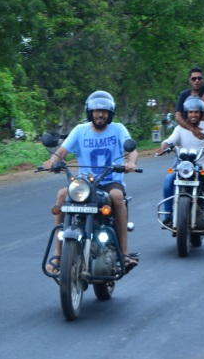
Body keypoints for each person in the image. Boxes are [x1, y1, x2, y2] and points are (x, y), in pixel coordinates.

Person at [43, 91, 139, 274]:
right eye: (96, 111)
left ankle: (124, 255)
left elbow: (131, 148)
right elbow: (62, 151)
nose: (100, 114)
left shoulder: (118, 129)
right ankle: (57, 255)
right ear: (90, 112)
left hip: (110, 181)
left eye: (103, 111)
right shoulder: (80, 130)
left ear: (110, 113)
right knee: (62, 195)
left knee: (117, 196)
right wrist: (53, 161)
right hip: (85, 183)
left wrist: (131, 163)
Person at [157, 95, 204, 230]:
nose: (193, 115)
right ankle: (168, 215)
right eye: (191, 112)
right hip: (183, 167)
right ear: (186, 113)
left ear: (201, 113)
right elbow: (170, 140)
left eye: (196, 112)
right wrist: (163, 148)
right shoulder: (180, 129)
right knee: (168, 178)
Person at [174, 35, 204, 140]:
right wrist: (192, 129)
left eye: (199, 78)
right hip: (187, 135)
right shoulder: (184, 95)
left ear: (202, 79)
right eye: (194, 78)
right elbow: (178, 117)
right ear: (189, 80)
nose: (197, 80)